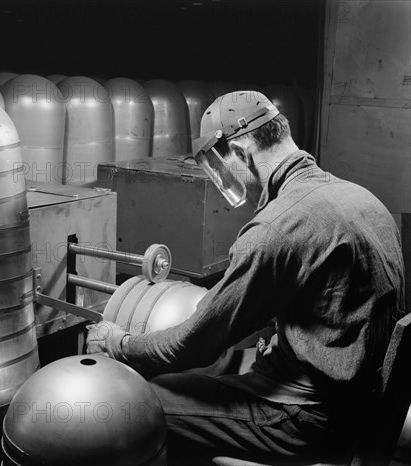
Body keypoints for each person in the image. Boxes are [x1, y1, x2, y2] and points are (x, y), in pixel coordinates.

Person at [86, 91, 406, 464]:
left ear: (239, 152)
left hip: (306, 420)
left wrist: (118, 344)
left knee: (133, 404)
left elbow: (193, 344)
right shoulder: (364, 200)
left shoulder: (277, 228)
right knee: (214, 368)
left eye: (221, 167)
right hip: (357, 403)